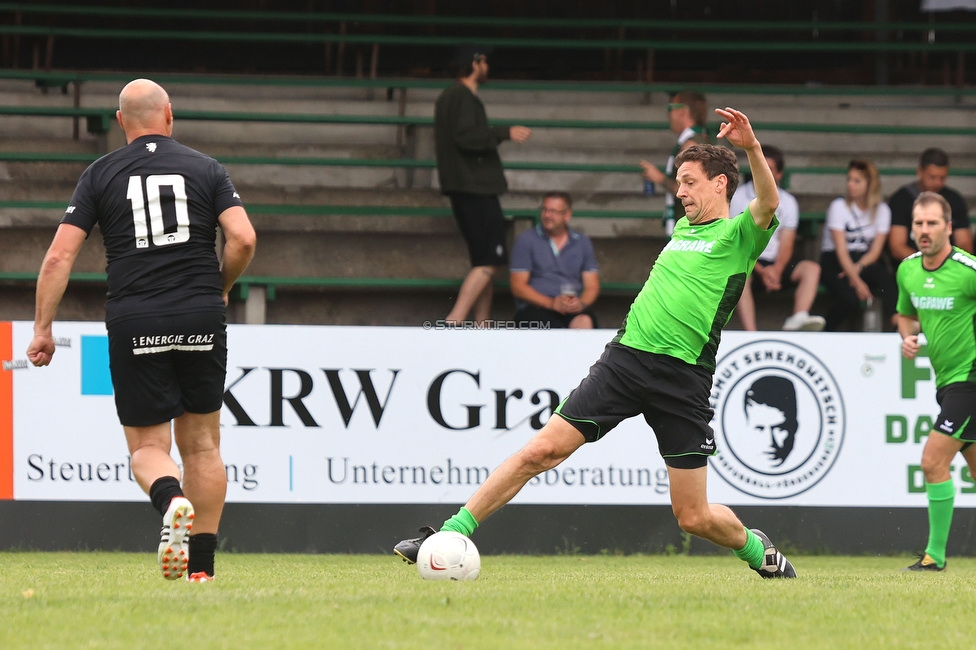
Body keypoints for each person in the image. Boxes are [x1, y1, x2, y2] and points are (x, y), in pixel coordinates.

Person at [395, 108, 797, 579]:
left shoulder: (739, 235)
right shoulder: (685, 228)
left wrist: (750, 147)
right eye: (679, 181)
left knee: (693, 517)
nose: (681, 191)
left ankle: (757, 550)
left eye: (689, 182)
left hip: (682, 378)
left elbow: (767, 202)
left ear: (720, 185)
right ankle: (448, 531)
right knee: (539, 451)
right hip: (624, 361)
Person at [26, 79, 257, 582]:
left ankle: (170, 499)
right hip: (200, 314)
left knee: (148, 449)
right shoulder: (207, 168)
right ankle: (202, 571)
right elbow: (242, 237)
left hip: (136, 318)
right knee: (203, 447)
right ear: (169, 115)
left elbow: (59, 257)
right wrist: (220, 287)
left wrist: (43, 328)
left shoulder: (100, 174)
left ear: (120, 121)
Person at [895, 191, 976, 571]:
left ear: (949, 228)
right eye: (918, 224)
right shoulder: (907, 269)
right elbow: (905, 314)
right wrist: (908, 336)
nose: (924, 231)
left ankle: (935, 557)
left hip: (970, 379)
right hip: (946, 382)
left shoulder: (968, 270)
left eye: (932, 223)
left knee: (932, 461)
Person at [435, 47, 532, 325]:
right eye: (485, 61)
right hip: (474, 188)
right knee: (490, 259)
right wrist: (505, 133)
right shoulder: (460, 96)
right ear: (475, 64)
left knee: (484, 260)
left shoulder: (454, 96)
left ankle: (483, 323)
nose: (487, 66)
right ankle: (455, 319)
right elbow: (466, 138)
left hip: (468, 187)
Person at [730, 145, 824, 331]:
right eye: (759, 165)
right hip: (749, 260)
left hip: (776, 262)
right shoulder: (738, 198)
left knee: (811, 269)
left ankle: (798, 318)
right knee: (740, 275)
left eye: (769, 168)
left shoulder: (788, 202)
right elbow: (738, 241)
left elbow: (787, 242)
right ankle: (751, 333)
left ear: (779, 174)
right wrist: (761, 271)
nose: (763, 171)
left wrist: (777, 270)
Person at [819, 159, 898, 331]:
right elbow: (840, 250)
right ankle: (824, 333)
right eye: (849, 179)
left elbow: (875, 251)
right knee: (849, 299)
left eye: (856, 181)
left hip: (863, 259)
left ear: (870, 184)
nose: (850, 185)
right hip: (836, 260)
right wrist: (856, 280)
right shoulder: (838, 207)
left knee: (887, 280)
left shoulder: (882, 210)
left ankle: (898, 325)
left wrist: (857, 268)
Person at [510, 191, 600, 329]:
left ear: (567, 215)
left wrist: (581, 303)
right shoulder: (526, 239)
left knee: (584, 321)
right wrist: (551, 303)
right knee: (551, 328)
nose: (546, 215)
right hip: (536, 307)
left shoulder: (582, 242)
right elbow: (518, 287)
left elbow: (592, 286)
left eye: (552, 211)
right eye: (544, 210)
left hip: (570, 306)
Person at [639, 90, 709, 238]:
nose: (668, 114)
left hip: (689, 231)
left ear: (683, 111)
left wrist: (658, 178)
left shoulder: (691, 144)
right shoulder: (696, 139)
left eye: (671, 108)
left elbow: (692, 189)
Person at [888, 148, 973, 266]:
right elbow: (897, 247)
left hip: (949, 268)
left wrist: (948, 264)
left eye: (942, 178)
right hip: (913, 267)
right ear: (920, 172)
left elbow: (965, 243)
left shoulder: (954, 199)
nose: (938, 183)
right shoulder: (902, 199)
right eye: (932, 177)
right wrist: (927, 264)